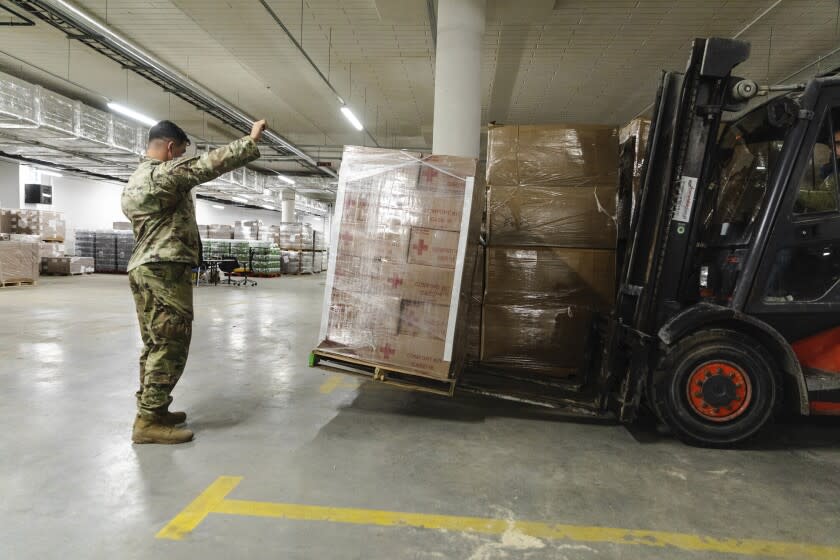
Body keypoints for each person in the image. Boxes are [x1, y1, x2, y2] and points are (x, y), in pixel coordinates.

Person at [122, 118, 265, 444]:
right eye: (181, 152)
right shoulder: (163, 174)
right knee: (171, 343)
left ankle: (153, 409)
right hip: (164, 271)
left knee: (155, 344)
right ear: (170, 148)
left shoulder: (136, 179)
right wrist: (249, 140)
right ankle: (147, 422)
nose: (182, 158)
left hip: (145, 268)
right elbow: (206, 166)